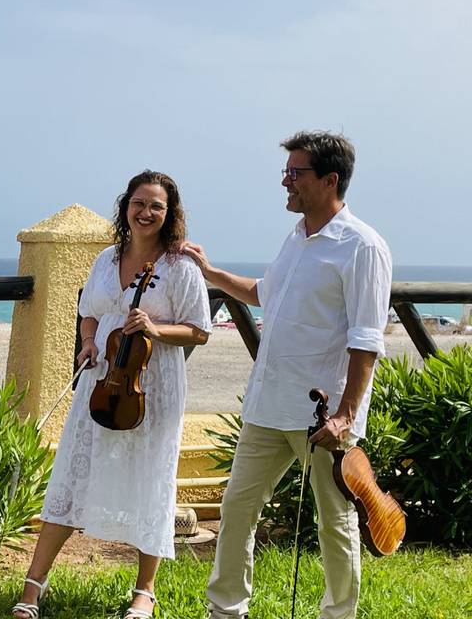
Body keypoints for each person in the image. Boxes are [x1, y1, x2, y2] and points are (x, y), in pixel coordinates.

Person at [183, 131, 393, 619]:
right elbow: (264, 292)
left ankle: (338, 615)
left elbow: (367, 339)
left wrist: (345, 415)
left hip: (323, 417)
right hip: (267, 405)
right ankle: (226, 611)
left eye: (295, 173)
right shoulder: (296, 236)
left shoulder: (362, 246)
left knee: (334, 521)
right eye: (287, 172)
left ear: (329, 180)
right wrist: (210, 271)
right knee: (237, 509)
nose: (285, 181)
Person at [11, 170, 211, 619]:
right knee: (71, 474)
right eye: (139, 203)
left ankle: (145, 592)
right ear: (126, 206)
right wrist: (86, 343)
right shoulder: (106, 258)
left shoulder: (180, 266)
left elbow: (198, 330)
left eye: (156, 206)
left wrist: (155, 328)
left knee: (150, 480)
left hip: (151, 387)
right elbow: (89, 313)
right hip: (101, 381)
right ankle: (32, 586)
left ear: (169, 213)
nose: (146, 212)